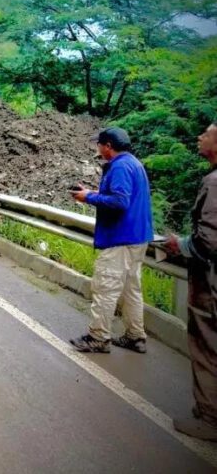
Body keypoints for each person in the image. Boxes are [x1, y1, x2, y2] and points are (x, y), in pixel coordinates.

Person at [68, 127, 153, 353]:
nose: (98, 148)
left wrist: (89, 197)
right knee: (130, 289)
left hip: (120, 238)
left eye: (99, 145)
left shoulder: (120, 166)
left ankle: (98, 337)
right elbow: (122, 196)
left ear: (107, 146)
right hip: (137, 237)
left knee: (106, 287)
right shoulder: (134, 163)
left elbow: (120, 202)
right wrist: (92, 192)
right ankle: (135, 336)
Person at [162, 121, 217, 440]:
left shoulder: (213, 182)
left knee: (207, 345)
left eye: (207, 133)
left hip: (210, 284)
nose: (200, 136)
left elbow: (209, 241)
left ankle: (208, 419)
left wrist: (179, 245)